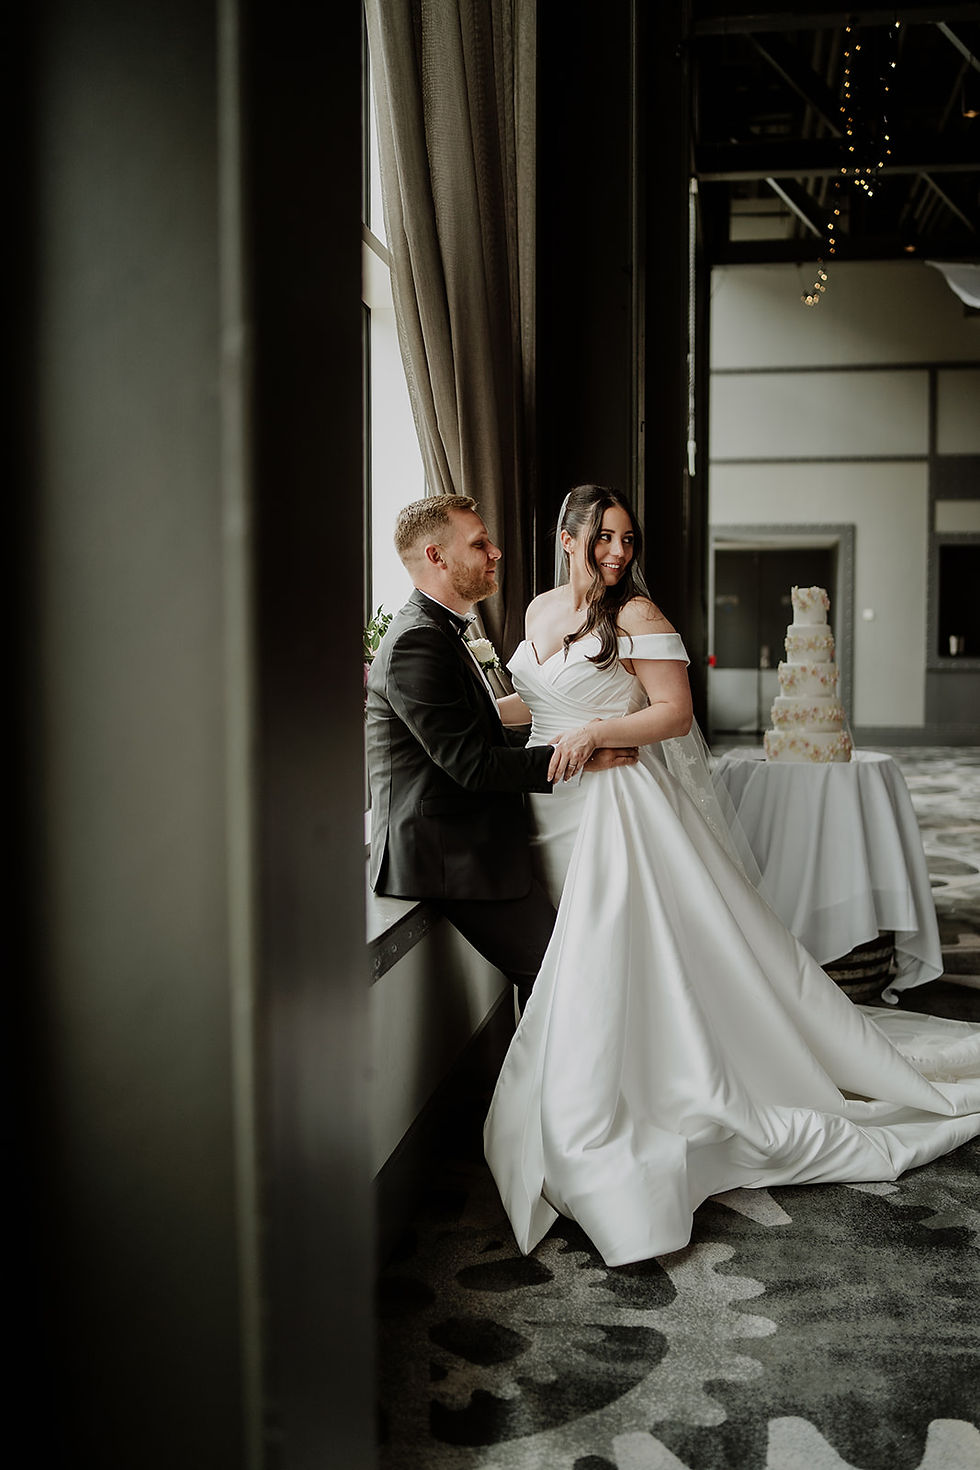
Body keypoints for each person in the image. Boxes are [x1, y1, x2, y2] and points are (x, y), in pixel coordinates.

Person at [484, 483, 980, 1268]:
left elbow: (673, 713)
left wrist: (597, 731)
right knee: (568, 951)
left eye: (628, 539)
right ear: (568, 537)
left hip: (616, 806)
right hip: (550, 810)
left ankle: (624, 1093)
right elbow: (534, 701)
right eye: (605, 536)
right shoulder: (540, 610)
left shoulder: (636, 615)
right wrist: (472, 716)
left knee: (611, 954)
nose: (618, 551)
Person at [365, 494, 638, 1014]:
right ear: (437, 557)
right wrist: (577, 758)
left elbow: (481, 738)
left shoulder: (438, 629)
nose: (496, 552)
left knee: (561, 979)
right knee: (563, 980)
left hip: (472, 843)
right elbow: (473, 765)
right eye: (479, 544)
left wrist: (564, 740)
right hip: (447, 856)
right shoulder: (417, 642)